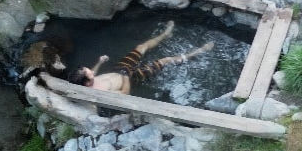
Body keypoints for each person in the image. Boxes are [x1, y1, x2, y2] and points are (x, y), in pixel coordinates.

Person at [66, 20, 215, 95]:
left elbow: (93, 74)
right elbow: (125, 94)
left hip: (120, 69)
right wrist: (125, 78)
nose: (92, 71)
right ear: (87, 84)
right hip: (132, 77)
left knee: (140, 48)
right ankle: (197, 52)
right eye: (89, 72)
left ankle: (165, 34)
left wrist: (99, 62)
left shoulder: (85, 81)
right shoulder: (101, 93)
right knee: (164, 60)